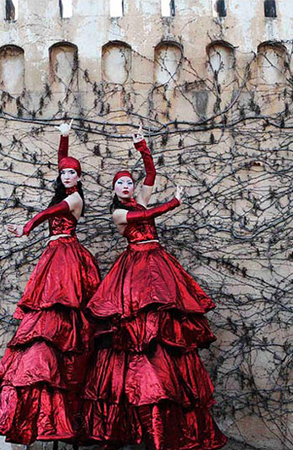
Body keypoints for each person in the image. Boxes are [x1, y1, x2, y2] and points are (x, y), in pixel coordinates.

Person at [83, 127, 227, 450]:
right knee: (137, 328)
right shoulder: (119, 213)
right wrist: (174, 202)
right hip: (135, 269)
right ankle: (141, 401)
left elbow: (151, 173)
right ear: (113, 190)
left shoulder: (138, 197)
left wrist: (142, 146)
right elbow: (146, 215)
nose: (125, 186)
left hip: (158, 264)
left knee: (167, 324)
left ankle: (171, 405)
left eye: (127, 182)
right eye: (119, 183)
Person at [0, 121, 101, 446]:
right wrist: (64, 137)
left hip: (66, 255)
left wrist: (27, 227)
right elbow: (61, 163)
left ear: (80, 178)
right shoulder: (65, 186)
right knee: (45, 313)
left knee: (62, 306)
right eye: (64, 174)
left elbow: (51, 212)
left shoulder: (75, 200)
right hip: (53, 254)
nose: (67, 176)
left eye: (72, 174)